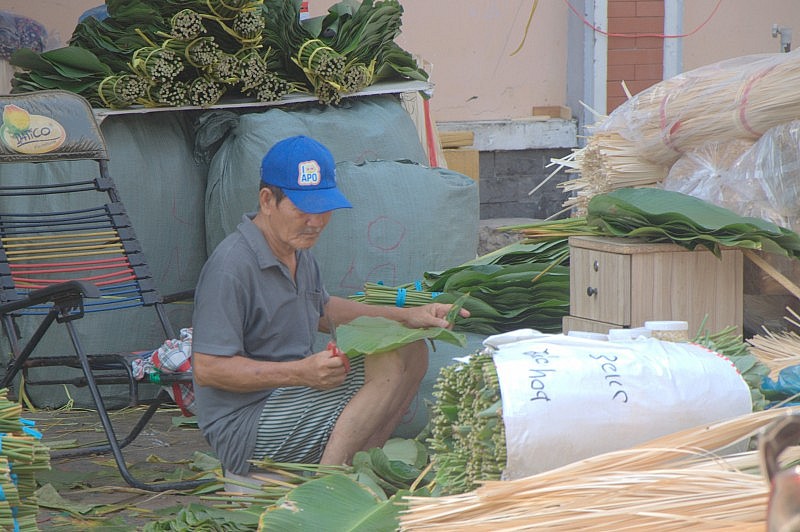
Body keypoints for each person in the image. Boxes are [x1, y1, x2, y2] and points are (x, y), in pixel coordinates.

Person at [191, 135, 467, 484]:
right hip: (246, 426)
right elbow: (208, 369)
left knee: (410, 349)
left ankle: (362, 466)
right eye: (303, 209)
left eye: (323, 209)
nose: (316, 221)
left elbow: (323, 310)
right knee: (386, 360)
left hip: (290, 401)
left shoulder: (297, 254)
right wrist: (301, 373)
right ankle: (328, 483)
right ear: (267, 201)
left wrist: (407, 316)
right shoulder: (231, 266)